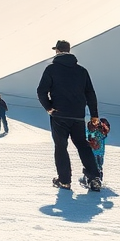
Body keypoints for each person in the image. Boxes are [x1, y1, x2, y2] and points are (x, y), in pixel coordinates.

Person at [37, 39, 102, 191]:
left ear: (57, 51)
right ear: (69, 50)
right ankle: (94, 177)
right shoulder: (81, 70)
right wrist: (94, 115)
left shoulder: (51, 69)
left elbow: (41, 91)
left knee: (61, 147)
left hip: (59, 115)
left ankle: (64, 181)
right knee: (82, 145)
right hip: (78, 115)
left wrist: (49, 108)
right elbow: (90, 93)